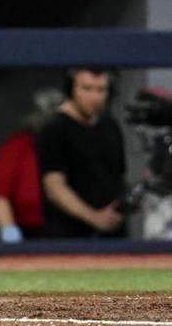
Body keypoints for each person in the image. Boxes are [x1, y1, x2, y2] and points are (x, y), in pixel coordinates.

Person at [37, 68, 126, 238]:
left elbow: (118, 178)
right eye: (87, 88)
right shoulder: (54, 129)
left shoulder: (110, 126)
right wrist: (94, 217)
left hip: (112, 232)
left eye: (101, 90)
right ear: (71, 89)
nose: (95, 97)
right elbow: (54, 187)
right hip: (69, 237)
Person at [0, 87, 62, 243]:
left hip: (70, 232)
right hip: (28, 232)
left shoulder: (73, 145)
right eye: (46, 114)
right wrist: (10, 234)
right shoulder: (17, 146)